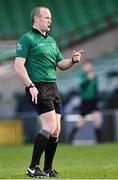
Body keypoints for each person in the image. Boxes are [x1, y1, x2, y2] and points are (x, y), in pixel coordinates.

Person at [14, 6, 83, 178]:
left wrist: (72, 61)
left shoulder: (52, 41)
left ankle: (48, 168)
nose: (50, 20)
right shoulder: (27, 38)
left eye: (50, 18)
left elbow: (61, 64)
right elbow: (18, 65)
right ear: (36, 19)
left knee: (57, 130)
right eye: (46, 17)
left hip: (53, 86)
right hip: (38, 86)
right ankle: (32, 168)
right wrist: (31, 86)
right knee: (49, 126)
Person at [68, 60, 103, 144]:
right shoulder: (81, 76)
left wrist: (98, 99)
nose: (88, 67)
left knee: (98, 118)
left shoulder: (94, 76)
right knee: (82, 122)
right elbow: (81, 88)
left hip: (93, 100)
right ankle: (71, 135)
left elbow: (95, 89)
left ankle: (99, 140)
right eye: (86, 66)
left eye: (89, 66)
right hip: (85, 101)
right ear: (84, 67)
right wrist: (88, 79)